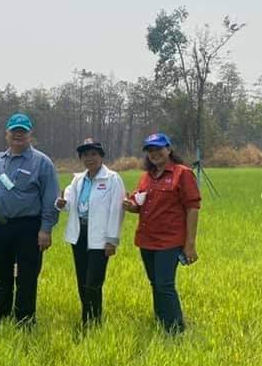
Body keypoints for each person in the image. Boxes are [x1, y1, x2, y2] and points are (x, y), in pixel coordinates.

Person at [0, 113, 60, 326]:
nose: (18, 135)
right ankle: (0, 317)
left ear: (30, 135)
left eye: (22, 131)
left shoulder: (42, 162)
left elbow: (51, 199)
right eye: (14, 131)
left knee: (27, 276)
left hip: (28, 227)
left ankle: (25, 320)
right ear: (7, 134)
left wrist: (46, 229)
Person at [122, 132, 201, 333]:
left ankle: (175, 329)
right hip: (146, 240)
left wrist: (190, 244)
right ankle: (161, 321)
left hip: (169, 241)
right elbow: (138, 204)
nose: (154, 153)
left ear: (169, 149)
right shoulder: (146, 177)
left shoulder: (182, 174)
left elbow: (193, 208)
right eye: (150, 150)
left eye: (158, 149)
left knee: (165, 284)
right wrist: (130, 206)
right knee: (155, 283)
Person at [55, 139, 125, 326]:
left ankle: (94, 321)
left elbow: (117, 210)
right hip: (79, 234)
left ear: (101, 156)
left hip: (100, 238)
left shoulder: (112, 179)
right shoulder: (78, 180)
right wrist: (61, 203)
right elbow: (68, 201)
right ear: (81, 158)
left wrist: (112, 240)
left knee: (94, 281)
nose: (90, 158)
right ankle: (86, 317)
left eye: (94, 154)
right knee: (82, 280)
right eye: (85, 155)